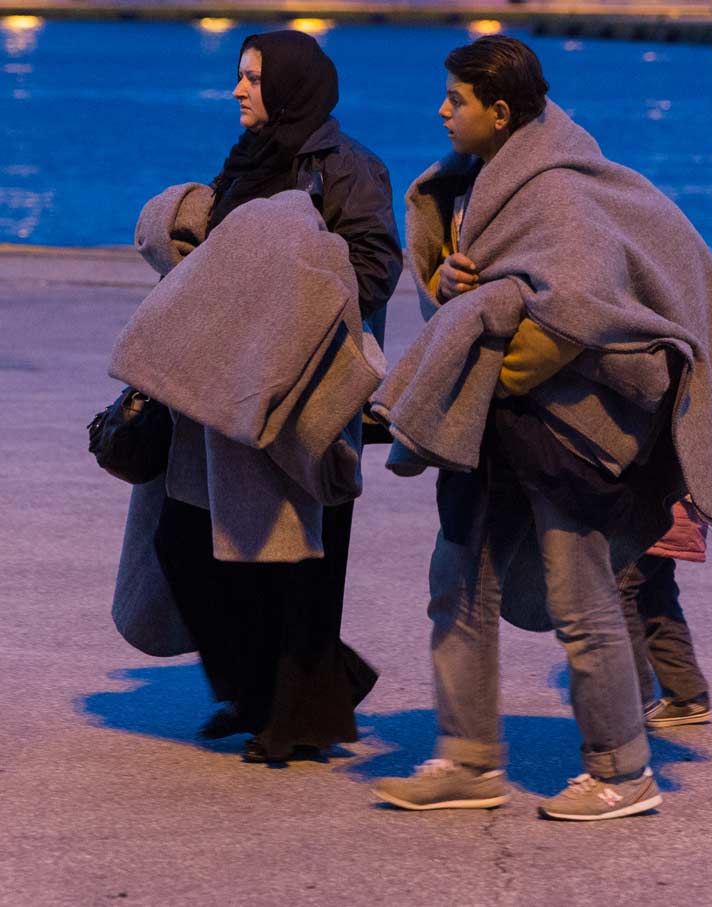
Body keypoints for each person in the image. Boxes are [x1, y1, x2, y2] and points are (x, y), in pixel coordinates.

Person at [369, 36, 712, 820]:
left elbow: (577, 306)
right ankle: (468, 758)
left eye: (457, 100)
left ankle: (622, 771)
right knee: (456, 588)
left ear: (501, 111)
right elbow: (487, 293)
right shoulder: (481, 187)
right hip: (495, 436)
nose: (442, 111)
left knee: (582, 601)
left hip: (563, 436)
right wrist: (446, 279)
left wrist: (494, 373)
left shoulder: (557, 192)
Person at [147, 30, 402, 764]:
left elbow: (373, 270)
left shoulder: (347, 167)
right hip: (228, 387)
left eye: (252, 78)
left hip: (310, 392)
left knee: (301, 566)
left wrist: (279, 282)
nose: (238, 90)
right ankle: (264, 691)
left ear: (289, 86)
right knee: (188, 540)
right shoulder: (248, 162)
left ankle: (297, 718)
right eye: (240, 76)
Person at [619, 498, 712, 728]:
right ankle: (687, 696)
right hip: (669, 511)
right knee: (653, 596)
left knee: (611, 594)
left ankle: (633, 702)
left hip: (650, 512)